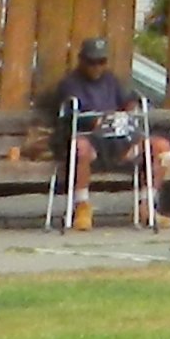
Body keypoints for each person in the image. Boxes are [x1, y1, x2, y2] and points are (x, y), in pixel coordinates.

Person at [45, 34, 150, 227]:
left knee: (159, 148)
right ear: (82, 60)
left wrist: (130, 109)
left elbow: (126, 102)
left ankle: (147, 206)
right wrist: (100, 120)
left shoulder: (111, 80)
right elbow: (76, 117)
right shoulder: (70, 83)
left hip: (117, 139)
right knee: (81, 147)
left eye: (101, 62)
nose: (97, 67)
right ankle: (81, 206)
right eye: (92, 62)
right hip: (89, 139)